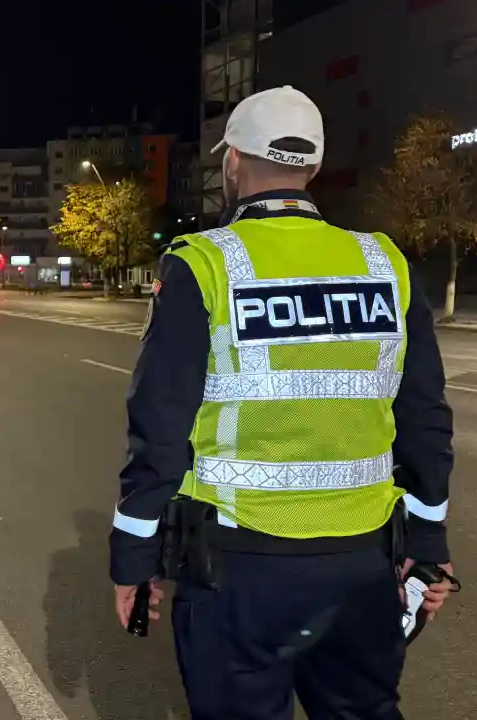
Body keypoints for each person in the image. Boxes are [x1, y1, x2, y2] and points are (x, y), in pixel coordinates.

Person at [109, 86, 457, 720]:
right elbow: (425, 423)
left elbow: (158, 430)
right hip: (364, 566)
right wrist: (427, 545)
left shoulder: (203, 264)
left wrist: (134, 559)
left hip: (239, 571)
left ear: (233, 162)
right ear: (314, 168)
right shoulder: (385, 263)